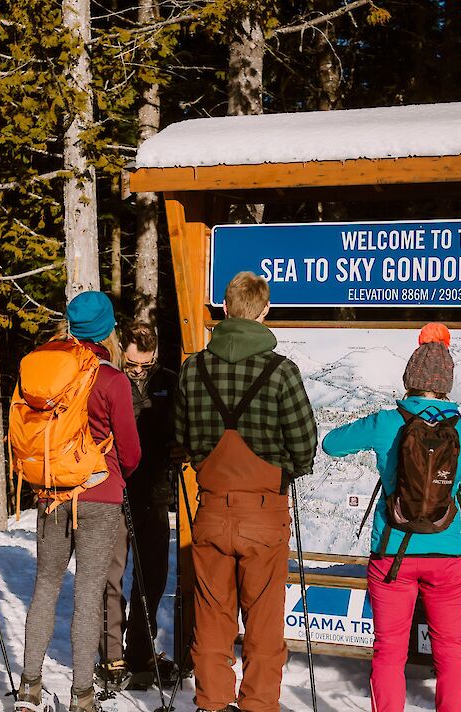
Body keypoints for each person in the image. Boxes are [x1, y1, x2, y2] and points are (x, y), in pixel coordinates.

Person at [321, 323, 461, 712]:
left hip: (392, 555)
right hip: (447, 556)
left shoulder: (385, 423)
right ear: (447, 383)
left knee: (389, 653)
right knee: (451, 655)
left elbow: (330, 444)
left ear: (409, 378)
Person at [172, 271, 318, 712]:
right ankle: (257, 704)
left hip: (212, 507)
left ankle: (213, 703)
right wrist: (287, 469)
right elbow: (304, 443)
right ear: (264, 311)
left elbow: (180, 437)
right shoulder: (281, 371)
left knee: (213, 619)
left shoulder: (193, 367)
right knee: (264, 623)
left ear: (225, 308)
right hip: (264, 509)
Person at [16, 291, 142, 712]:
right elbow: (131, 452)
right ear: (108, 330)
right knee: (89, 592)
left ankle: (29, 688)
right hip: (100, 496)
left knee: (46, 585)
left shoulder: (46, 371)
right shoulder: (112, 379)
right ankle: (82, 696)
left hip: (51, 494)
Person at [96, 322, 179, 691]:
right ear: (122, 354)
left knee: (154, 574)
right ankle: (111, 653)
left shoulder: (169, 381)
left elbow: (181, 427)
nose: (139, 371)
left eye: (145, 365)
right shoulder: (111, 378)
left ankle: (141, 649)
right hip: (116, 487)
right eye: (133, 365)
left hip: (155, 489)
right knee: (111, 573)